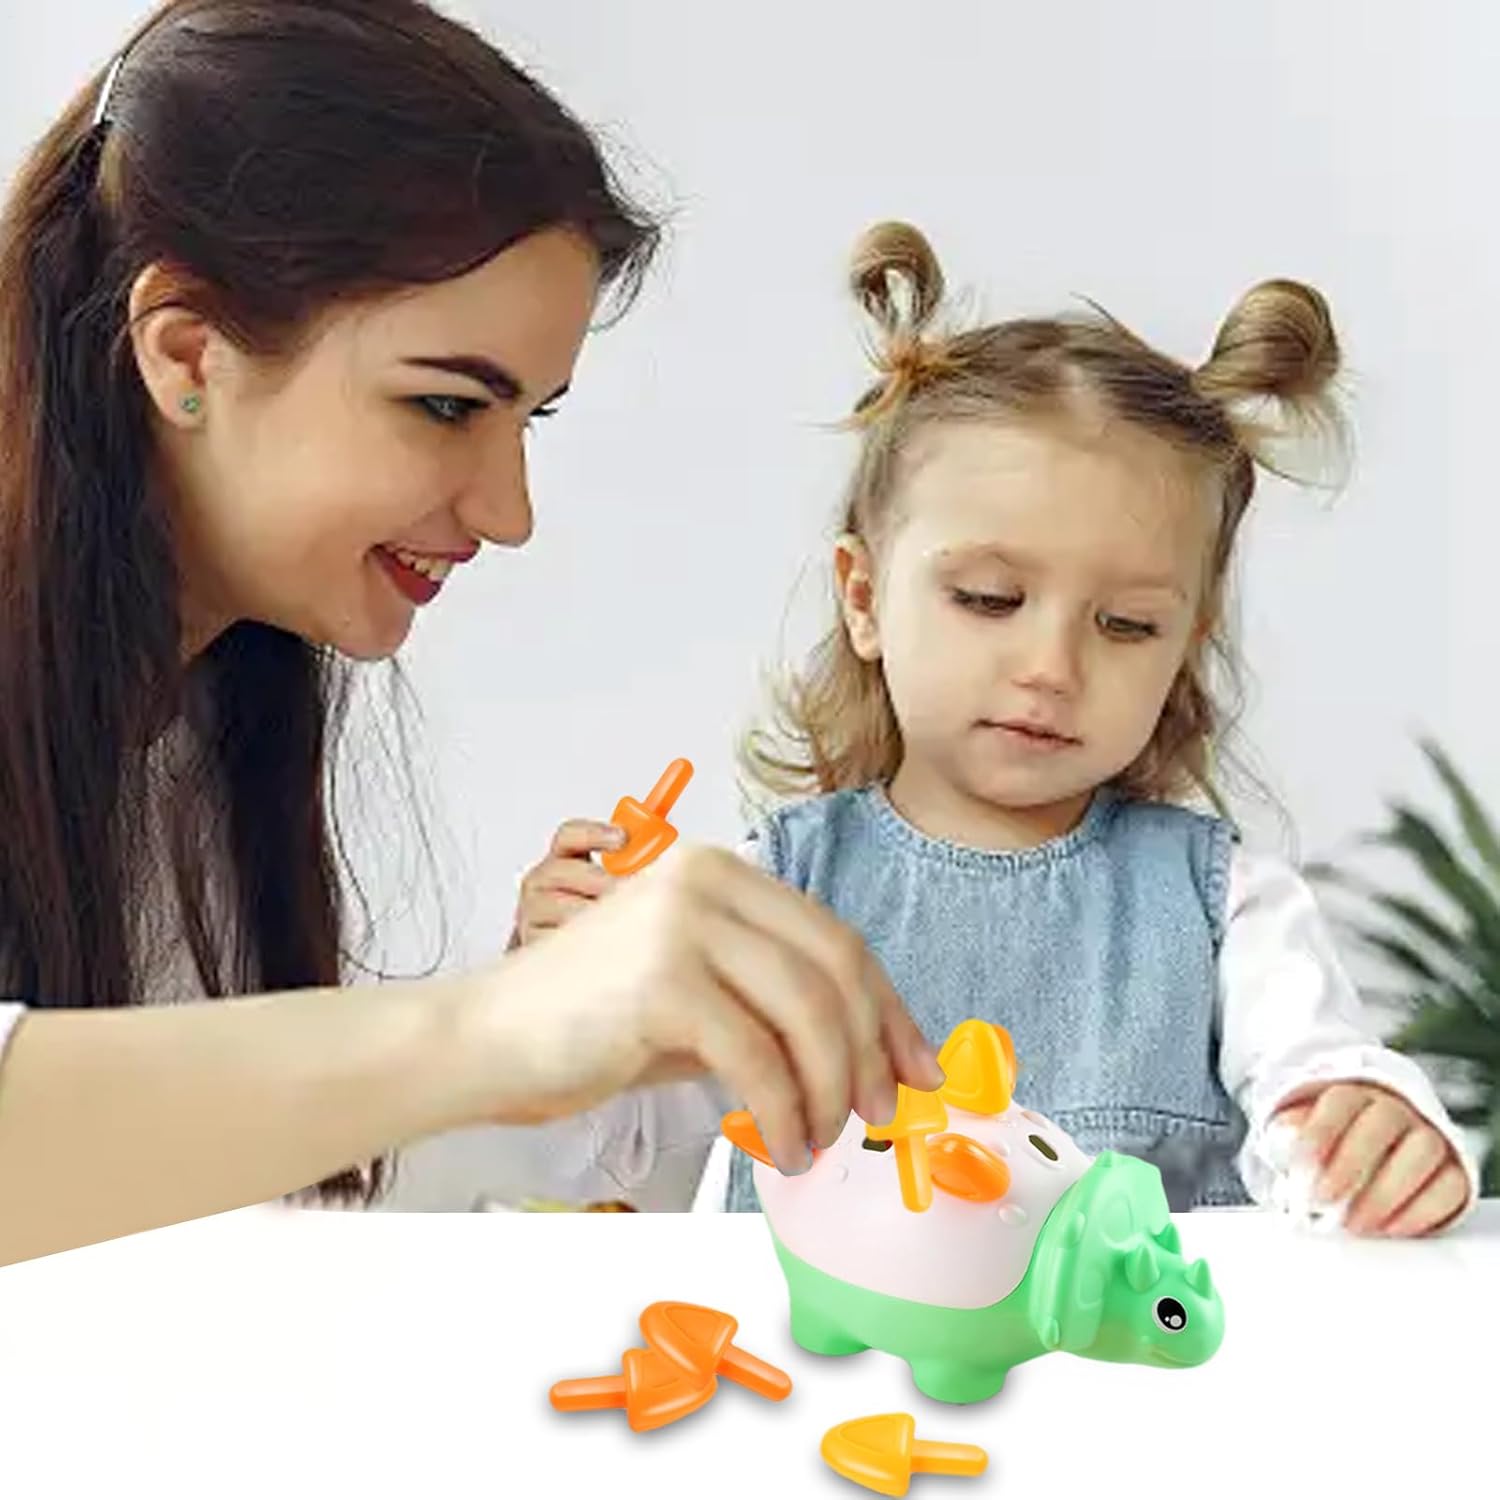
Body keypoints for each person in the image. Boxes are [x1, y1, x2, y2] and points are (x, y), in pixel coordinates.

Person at [0, 1, 943, 1268]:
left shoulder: (211, 716)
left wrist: (589, 1056)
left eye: (528, 419)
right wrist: (494, 1032)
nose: (509, 514)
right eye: (446, 405)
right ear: (187, 353)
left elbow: (206, 1168)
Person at [519, 222, 1478, 1234]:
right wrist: (567, 991)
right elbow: (598, 1152)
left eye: (1127, 625)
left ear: (1184, 647)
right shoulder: (769, 895)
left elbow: (1318, 1090)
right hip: (820, 1345)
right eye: (988, 599)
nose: (1051, 668)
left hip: (1140, 1345)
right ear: (863, 598)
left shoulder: (1229, 910)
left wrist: (1370, 1132)